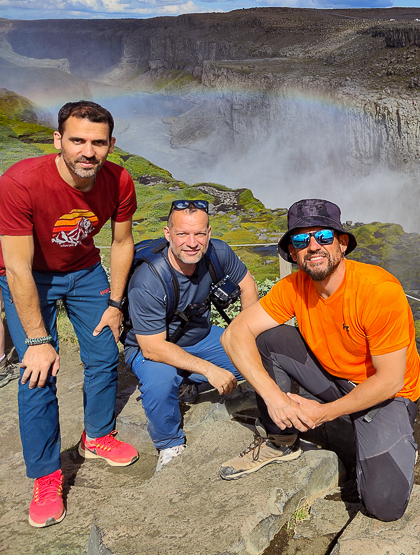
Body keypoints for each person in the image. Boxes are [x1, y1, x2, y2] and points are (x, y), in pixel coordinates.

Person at [219, 199, 420, 522]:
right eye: (301, 240)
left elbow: (391, 380)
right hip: (333, 378)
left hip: (387, 397)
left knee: (384, 504)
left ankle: (394, 440)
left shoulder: (378, 291)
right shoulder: (294, 287)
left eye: (323, 237)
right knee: (265, 340)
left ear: (342, 243)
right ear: (294, 254)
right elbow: (233, 336)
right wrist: (274, 399)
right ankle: (281, 439)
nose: (313, 246)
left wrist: (322, 414)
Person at [0, 101, 139, 528]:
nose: (88, 151)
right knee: (37, 373)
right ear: (58, 140)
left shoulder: (118, 180)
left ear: (111, 145)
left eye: (98, 143)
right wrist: (39, 343)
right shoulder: (20, 182)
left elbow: (121, 243)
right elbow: (18, 266)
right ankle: (46, 476)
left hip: (83, 271)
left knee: (102, 354)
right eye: (77, 140)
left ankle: (96, 436)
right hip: (28, 277)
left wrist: (115, 305)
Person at [122, 199, 258, 471]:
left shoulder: (218, 252)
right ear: (167, 234)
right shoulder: (149, 280)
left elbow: (248, 285)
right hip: (152, 348)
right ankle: (170, 444)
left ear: (209, 234)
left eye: (199, 234)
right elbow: (152, 348)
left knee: (256, 360)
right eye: (182, 234)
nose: (192, 242)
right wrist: (210, 370)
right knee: (161, 382)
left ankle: (187, 382)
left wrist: (248, 337)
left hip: (200, 337)